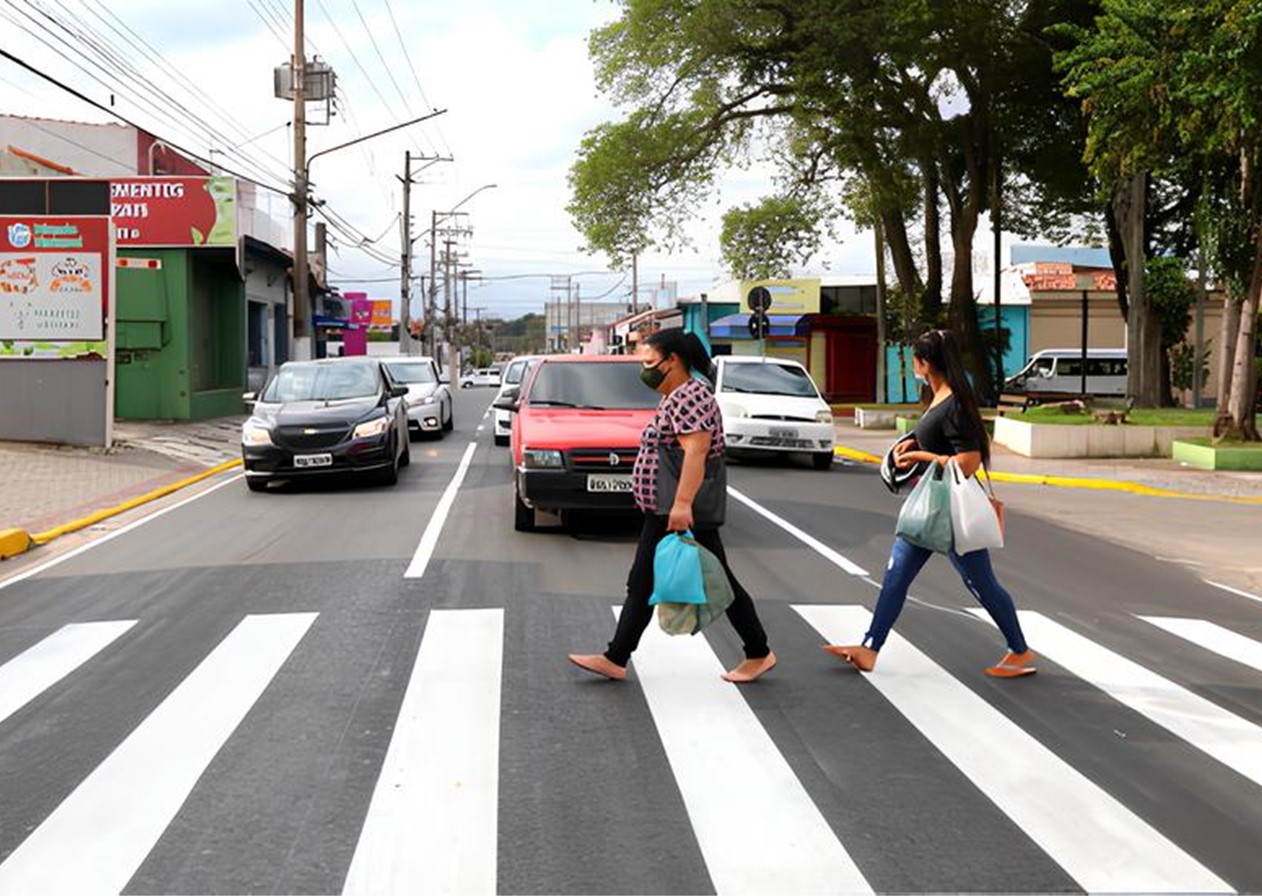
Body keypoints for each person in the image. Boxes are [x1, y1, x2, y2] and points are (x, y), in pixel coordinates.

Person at [823, 329, 1036, 678]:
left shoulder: (955, 405)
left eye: (914, 359)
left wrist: (921, 454)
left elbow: (967, 463)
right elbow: (942, 447)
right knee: (896, 576)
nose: (912, 364)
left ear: (925, 364)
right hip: (930, 507)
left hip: (950, 511)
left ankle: (1019, 649)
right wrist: (908, 452)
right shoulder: (937, 398)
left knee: (982, 584)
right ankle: (869, 648)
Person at [568, 330, 777, 683]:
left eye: (650, 363)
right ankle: (616, 657)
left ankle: (757, 652)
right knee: (645, 581)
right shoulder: (678, 394)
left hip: (677, 509)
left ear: (673, 360)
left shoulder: (691, 397)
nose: (645, 371)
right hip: (666, 507)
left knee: (703, 580)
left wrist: (681, 504)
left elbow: (696, 452)